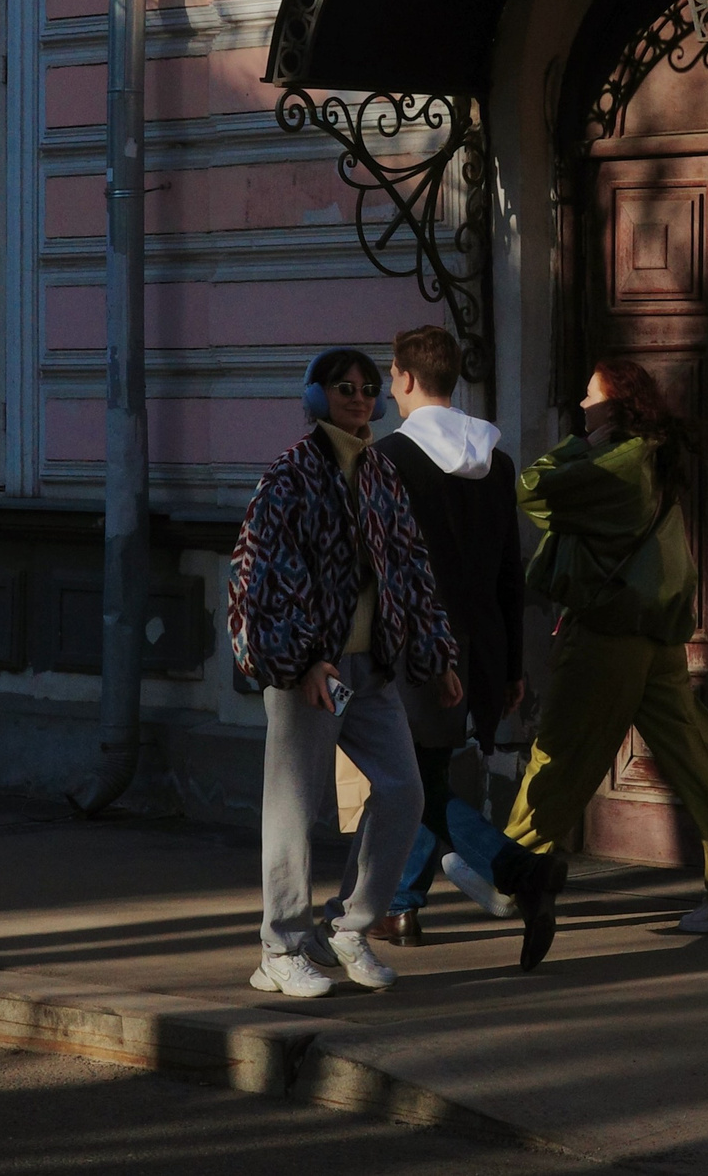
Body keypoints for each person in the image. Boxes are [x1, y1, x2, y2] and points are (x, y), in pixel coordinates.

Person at [503, 356, 708, 959]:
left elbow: (532, 487)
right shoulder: (644, 458)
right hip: (653, 635)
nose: (580, 407)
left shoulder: (616, 465)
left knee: (562, 750)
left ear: (615, 405)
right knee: (699, 756)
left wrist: (581, 444)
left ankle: (507, 866)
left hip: (610, 632)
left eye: (588, 396)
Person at [227, 346, 464, 999]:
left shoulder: (381, 473)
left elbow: (412, 566)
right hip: (313, 666)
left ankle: (348, 924)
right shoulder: (291, 475)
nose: (358, 397)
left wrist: (438, 653)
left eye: (366, 387)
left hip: (374, 665)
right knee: (294, 808)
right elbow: (262, 571)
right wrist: (302, 658)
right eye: (343, 387)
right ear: (316, 395)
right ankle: (280, 946)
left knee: (403, 791)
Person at [353, 325, 563, 952]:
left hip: (412, 645)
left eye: (390, 377)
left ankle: (518, 870)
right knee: (426, 771)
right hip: (480, 643)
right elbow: (508, 567)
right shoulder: (494, 461)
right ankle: (401, 904)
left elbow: (377, 564)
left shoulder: (386, 459)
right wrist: (511, 664)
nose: (389, 388)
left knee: (413, 782)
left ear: (408, 378)